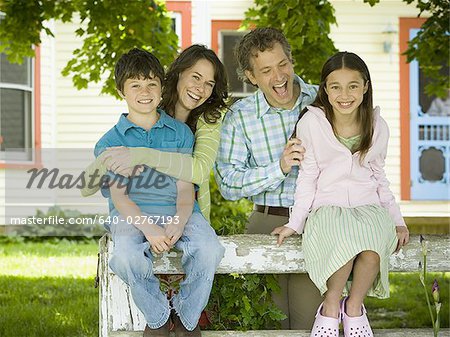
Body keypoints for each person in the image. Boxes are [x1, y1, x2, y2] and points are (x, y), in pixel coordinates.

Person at [271, 51, 410, 337]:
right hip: (328, 207)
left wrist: (398, 220)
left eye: (353, 86)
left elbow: (380, 178)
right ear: (325, 89)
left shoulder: (377, 125)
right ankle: (331, 305)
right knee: (343, 238)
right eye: (335, 86)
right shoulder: (312, 123)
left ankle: (355, 307)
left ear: (365, 87)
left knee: (373, 249)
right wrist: (295, 223)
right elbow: (307, 178)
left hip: (368, 205)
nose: (344, 94)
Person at [95, 48, 224, 337]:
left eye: (152, 83)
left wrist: (179, 220)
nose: (145, 91)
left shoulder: (179, 133)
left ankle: (187, 318)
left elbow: (184, 187)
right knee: (126, 255)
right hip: (131, 216)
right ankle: (158, 317)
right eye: (135, 85)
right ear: (121, 90)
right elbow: (120, 199)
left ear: (162, 87)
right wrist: (150, 229)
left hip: (179, 209)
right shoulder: (110, 142)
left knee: (209, 248)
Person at [214, 27, 323, 329]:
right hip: (265, 223)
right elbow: (228, 183)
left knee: (310, 323)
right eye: (266, 70)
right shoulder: (241, 116)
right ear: (251, 76)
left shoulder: (323, 99)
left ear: (291, 60)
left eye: (283, 64)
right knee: (269, 325)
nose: (279, 77)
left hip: (317, 224)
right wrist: (279, 168)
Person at [82, 44, 229, 222]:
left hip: (187, 219)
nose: (200, 88)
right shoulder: (149, 108)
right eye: (195, 78)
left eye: (209, 84)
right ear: (179, 73)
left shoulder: (209, 121)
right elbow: (86, 187)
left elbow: (199, 171)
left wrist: (139, 155)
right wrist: (109, 159)